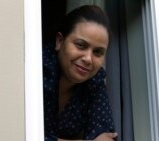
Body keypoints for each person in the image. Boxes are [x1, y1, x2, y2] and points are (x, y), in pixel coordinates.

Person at [43, 5, 117, 141]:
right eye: (81, 45)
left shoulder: (94, 82)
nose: (88, 59)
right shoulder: (38, 70)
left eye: (98, 52)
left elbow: (105, 136)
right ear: (59, 41)